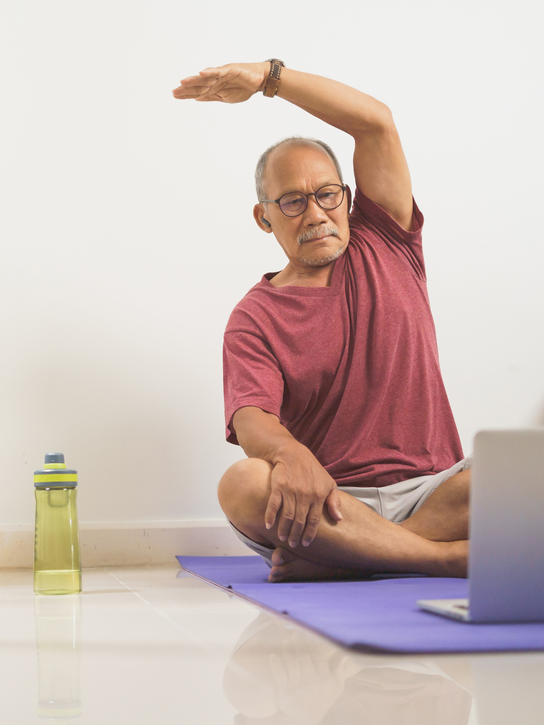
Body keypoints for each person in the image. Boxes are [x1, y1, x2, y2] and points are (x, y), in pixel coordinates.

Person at [172, 61, 471, 582]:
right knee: (242, 485)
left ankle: (353, 558)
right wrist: (289, 455)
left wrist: (269, 77)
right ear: (264, 217)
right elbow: (251, 418)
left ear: (348, 199)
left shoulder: (387, 240)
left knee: (528, 477)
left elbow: (375, 122)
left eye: (327, 195)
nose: (314, 214)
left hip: (434, 492)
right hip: (327, 504)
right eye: (291, 201)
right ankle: (439, 558)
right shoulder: (254, 317)